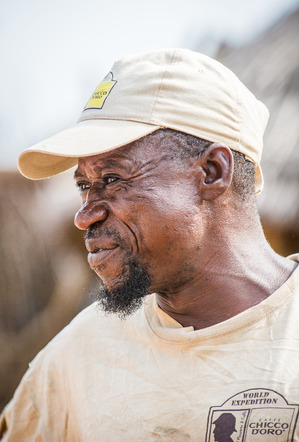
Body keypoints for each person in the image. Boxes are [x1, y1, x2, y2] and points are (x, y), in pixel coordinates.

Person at [0, 49, 298, 441]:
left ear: (212, 172)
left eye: (112, 179)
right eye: (83, 186)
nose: (84, 215)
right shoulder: (72, 364)